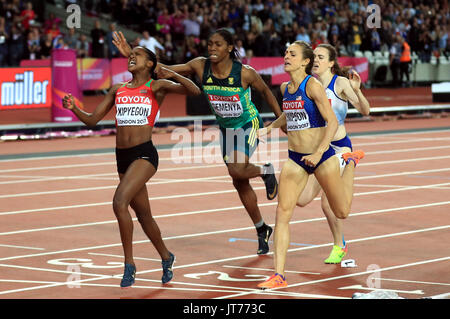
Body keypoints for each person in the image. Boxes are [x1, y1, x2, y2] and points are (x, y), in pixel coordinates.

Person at [112, 28, 284, 256]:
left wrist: (280, 121)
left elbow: (267, 93)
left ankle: (266, 170)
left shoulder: (245, 73)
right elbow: (161, 71)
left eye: (218, 44)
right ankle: (262, 228)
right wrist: (130, 56)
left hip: (247, 124)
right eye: (210, 43)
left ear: (230, 48)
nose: (212, 48)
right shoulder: (200, 65)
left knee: (236, 168)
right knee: (239, 179)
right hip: (225, 128)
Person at [62, 46, 201, 288]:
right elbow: (93, 120)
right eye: (130, 55)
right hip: (122, 157)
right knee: (144, 216)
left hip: (144, 154)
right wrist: (74, 108)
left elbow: (194, 91)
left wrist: (171, 74)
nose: (132, 57)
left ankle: (129, 264)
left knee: (119, 202)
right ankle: (167, 257)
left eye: (137, 55)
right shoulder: (118, 89)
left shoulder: (156, 87)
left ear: (150, 64)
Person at [256, 41, 365, 289]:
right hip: (296, 159)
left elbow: (332, 122)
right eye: (285, 53)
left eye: (292, 54)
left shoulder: (313, 86)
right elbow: (289, 114)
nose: (286, 57)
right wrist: (270, 128)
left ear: (305, 62)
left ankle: (350, 163)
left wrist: (318, 153)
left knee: (341, 212)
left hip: (322, 156)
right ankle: (279, 275)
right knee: (283, 214)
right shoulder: (285, 88)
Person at [295, 43, 370, 265]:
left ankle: (339, 245)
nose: (315, 60)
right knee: (301, 199)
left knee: (328, 204)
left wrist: (357, 90)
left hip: (339, 148)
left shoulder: (341, 83)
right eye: (314, 56)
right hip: (318, 150)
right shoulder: (309, 85)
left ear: (330, 62)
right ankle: (340, 244)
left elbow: (365, 111)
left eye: (320, 57)